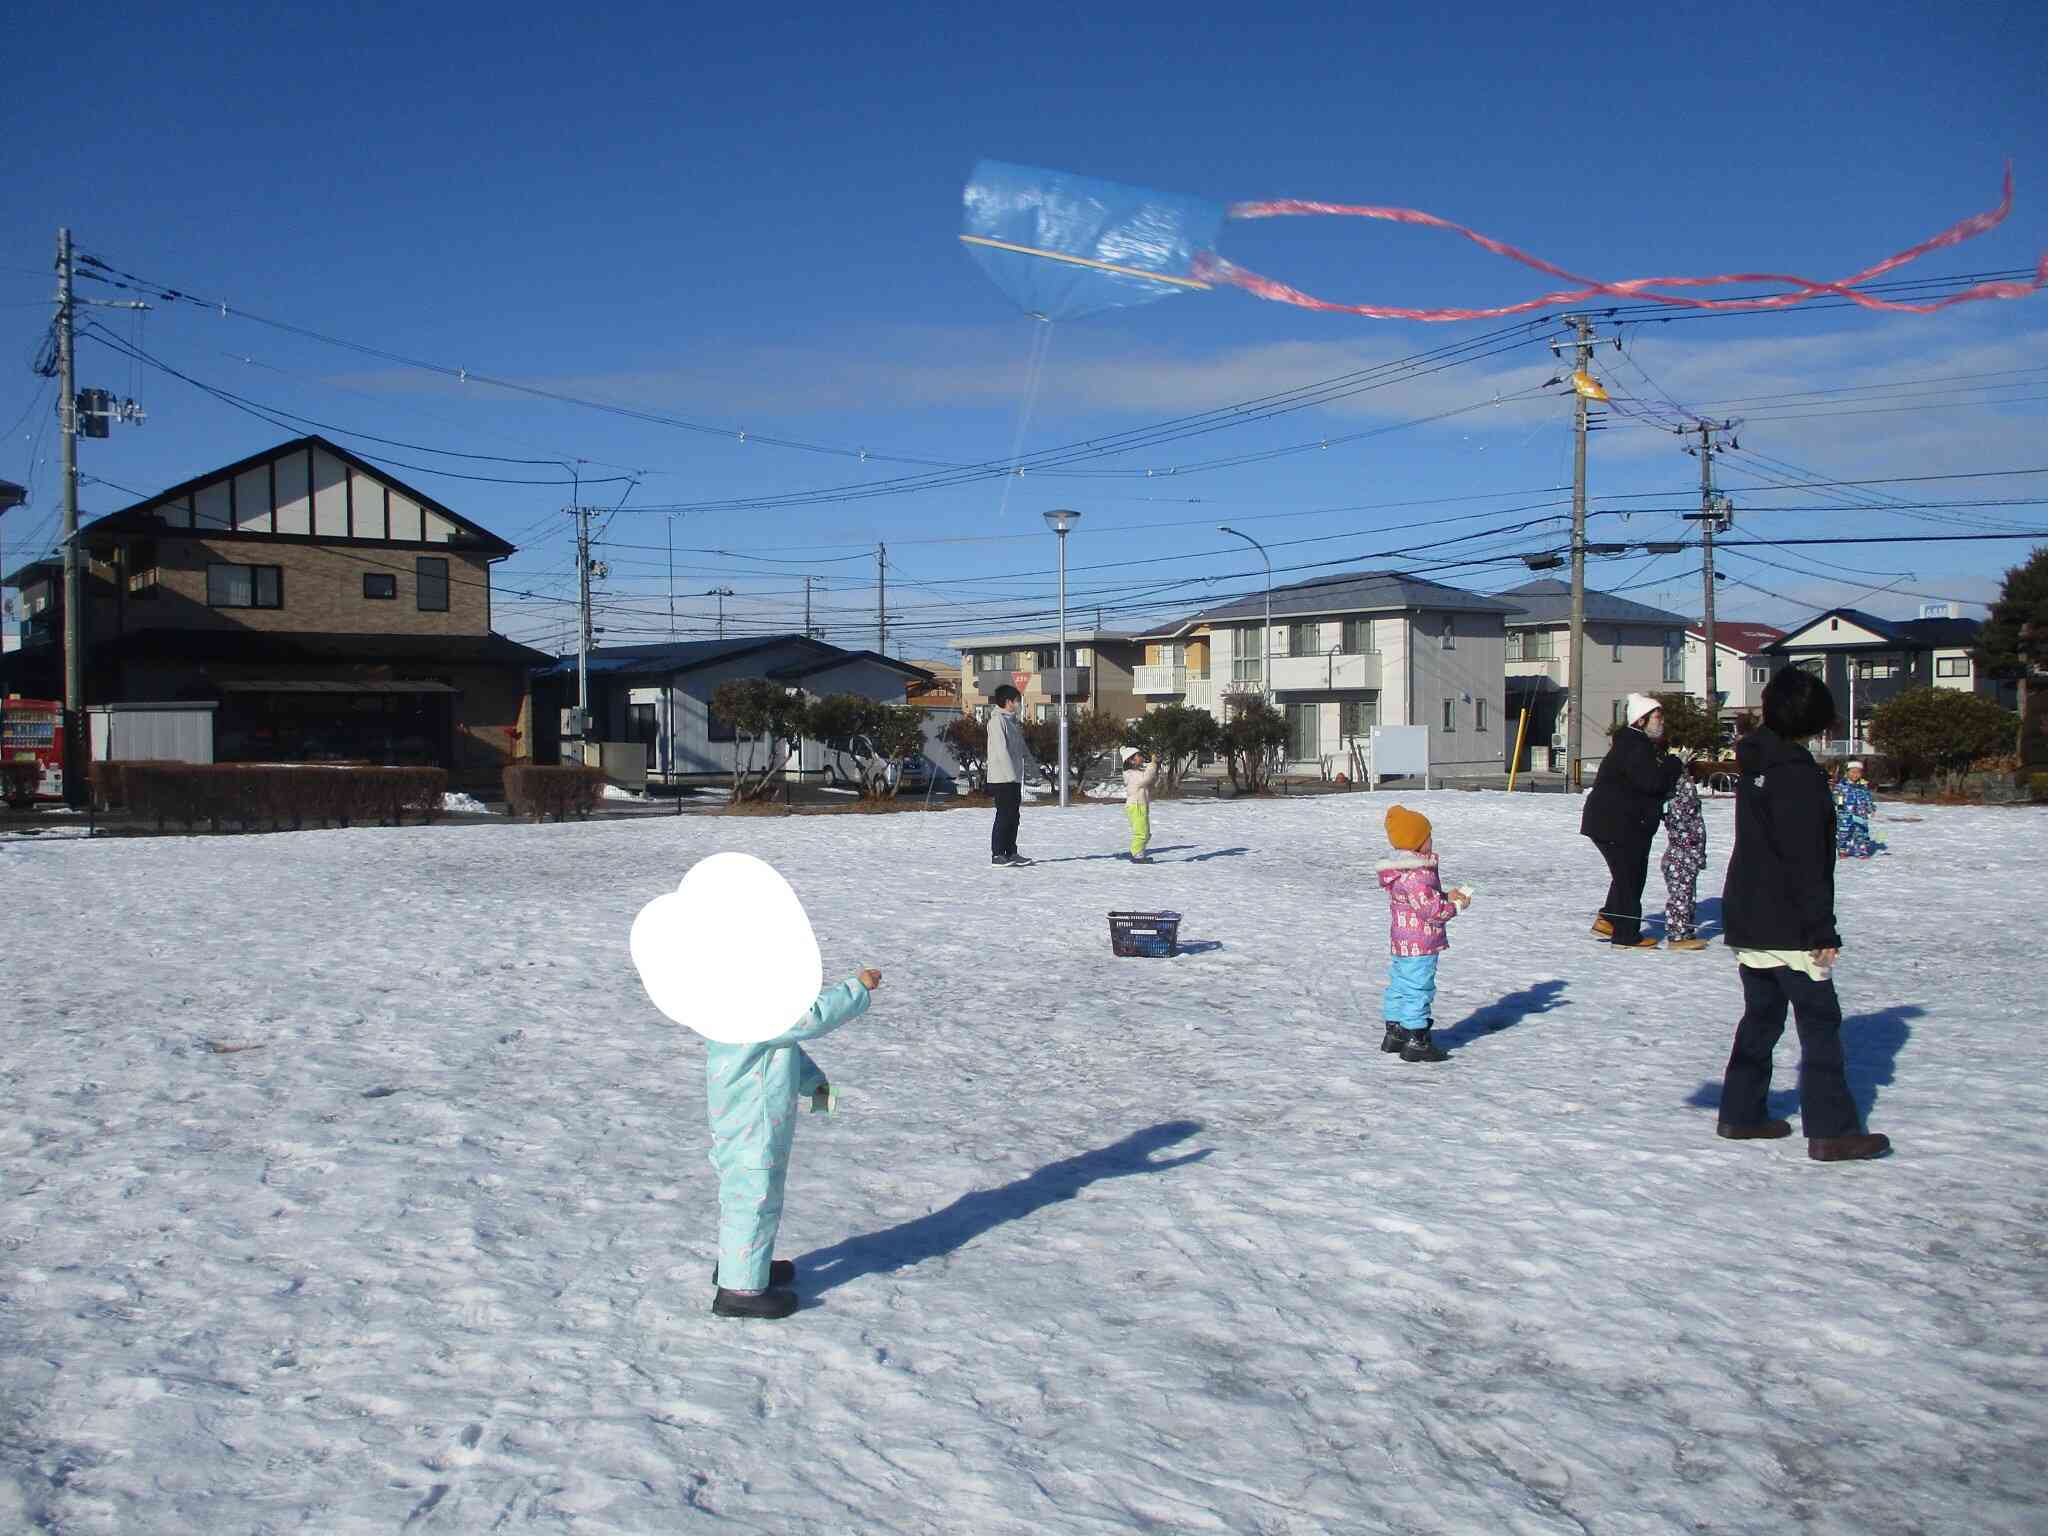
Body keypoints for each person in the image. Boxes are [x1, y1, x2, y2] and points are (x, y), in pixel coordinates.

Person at [1717, 667, 1890, 1162]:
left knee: (1762, 1016)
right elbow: (1807, 861)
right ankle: (1832, 1129)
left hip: (1748, 912)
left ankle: (1741, 1111)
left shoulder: (1756, 762)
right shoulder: (1796, 776)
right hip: (1789, 922)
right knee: (1819, 1024)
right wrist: (1822, 928)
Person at [709, 966, 885, 1317]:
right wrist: (857, 988)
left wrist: (817, 1087)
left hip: (743, 1123)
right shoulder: (751, 1011)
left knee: (747, 1194)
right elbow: (810, 1017)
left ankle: (745, 1266)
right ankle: (739, 1291)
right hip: (754, 1126)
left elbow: (784, 1052)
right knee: (755, 1198)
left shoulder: (732, 1012)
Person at [1580, 693, 1683, 949]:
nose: (1662, 722)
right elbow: (1652, 782)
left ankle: (1609, 919)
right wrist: (1673, 764)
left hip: (1620, 822)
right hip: (1616, 823)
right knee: (1630, 877)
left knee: (1628, 873)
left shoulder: (1636, 744)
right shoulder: (1634, 746)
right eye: (1657, 717)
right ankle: (1626, 935)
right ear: (1641, 720)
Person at [1375, 804, 1472, 1064]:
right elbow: (1431, 911)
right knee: (1419, 987)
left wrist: (1444, 895)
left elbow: (1419, 901)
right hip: (1421, 943)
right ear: (1418, 842)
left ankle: (1395, 1031)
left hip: (1403, 942)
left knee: (1400, 984)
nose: (1432, 841)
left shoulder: (1401, 871)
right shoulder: (1417, 875)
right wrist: (1456, 906)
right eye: (1428, 836)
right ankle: (1417, 1038)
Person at [984, 685, 1040, 867]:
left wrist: (1033, 769)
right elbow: (1001, 751)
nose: (1018, 704)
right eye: (1016, 700)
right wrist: (1009, 776)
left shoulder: (1012, 722)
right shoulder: (997, 721)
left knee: (1014, 816)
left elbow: (1022, 748)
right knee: (1004, 815)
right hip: (1002, 779)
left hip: (1013, 778)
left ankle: (1011, 852)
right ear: (1007, 701)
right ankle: (998, 854)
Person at [1660, 770, 1709, 950]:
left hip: (1688, 856)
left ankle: (1686, 930)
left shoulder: (1690, 811)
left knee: (1688, 896)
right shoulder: (1678, 807)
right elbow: (1688, 832)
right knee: (1680, 896)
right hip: (1680, 856)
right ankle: (1677, 935)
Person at [1835, 759, 1886, 859]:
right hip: (1845, 815)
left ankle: (1862, 851)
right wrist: (1840, 805)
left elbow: (1867, 798)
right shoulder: (1841, 786)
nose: (1855, 774)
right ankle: (1842, 849)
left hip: (1860, 815)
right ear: (1847, 773)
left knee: (1861, 833)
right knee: (1844, 833)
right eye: (1853, 772)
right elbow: (1837, 796)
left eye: (1858, 772)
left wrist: (1871, 808)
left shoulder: (1863, 787)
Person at [1122, 748, 1158, 862]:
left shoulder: (1138, 772)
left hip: (1141, 805)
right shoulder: (1130, 774)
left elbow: (1150, 780)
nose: (1142, 758)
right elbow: (1146, 778)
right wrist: (1152, 764)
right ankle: (1136, 855)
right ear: (1131, 760)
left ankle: (1139, 853)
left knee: (1146, 833)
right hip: (1135, 806)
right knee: (1141, 832)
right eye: (1138, 756)